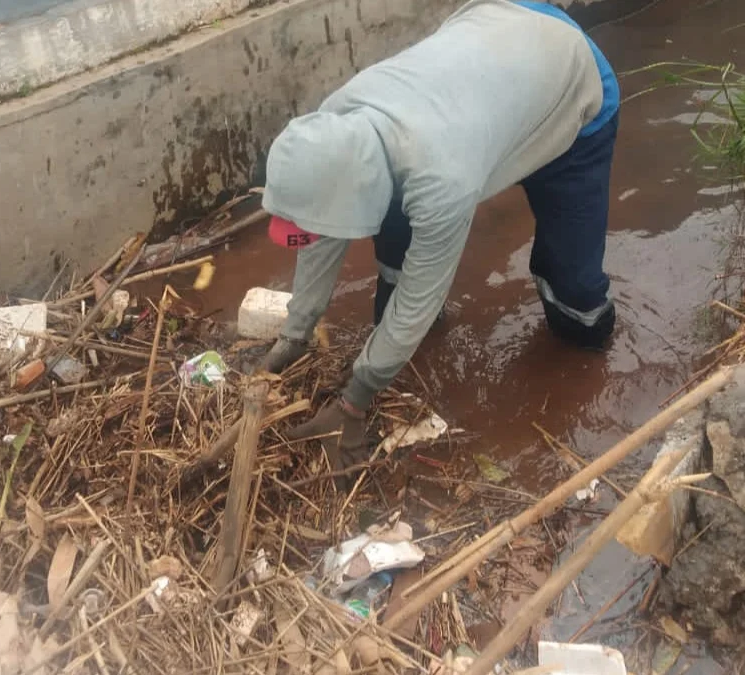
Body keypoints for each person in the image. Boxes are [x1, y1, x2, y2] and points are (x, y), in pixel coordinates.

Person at [256, 0, 620, 465]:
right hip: (492, 44)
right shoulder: (335, 123)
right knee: (394, 254)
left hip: (571, 79)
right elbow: (320, 228)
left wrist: (354, 399)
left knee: (575, 301)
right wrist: (295, 334)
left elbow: (417, 300)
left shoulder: (441, 181)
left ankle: (587, 344)